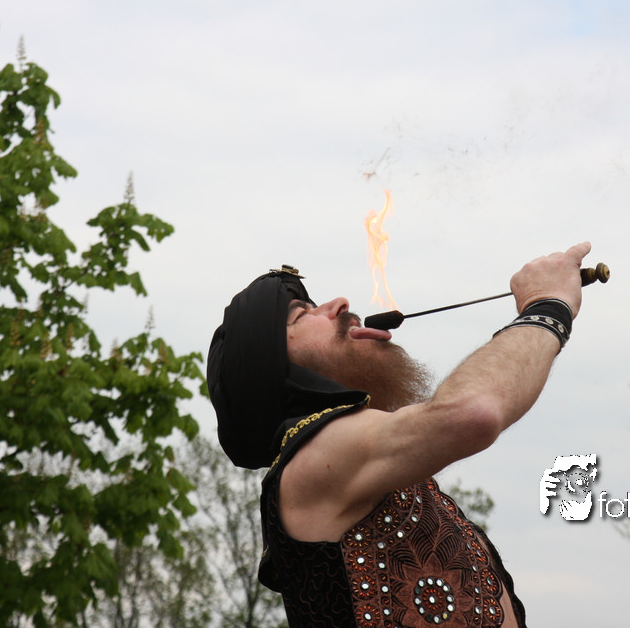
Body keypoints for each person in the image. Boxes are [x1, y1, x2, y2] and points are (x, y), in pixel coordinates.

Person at [208, 241, 591, 628]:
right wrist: (548, 306)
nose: (339, 303)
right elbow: (473, 411)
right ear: (271, 370)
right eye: (301, 314)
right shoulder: (311, 458)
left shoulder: (382, 473)